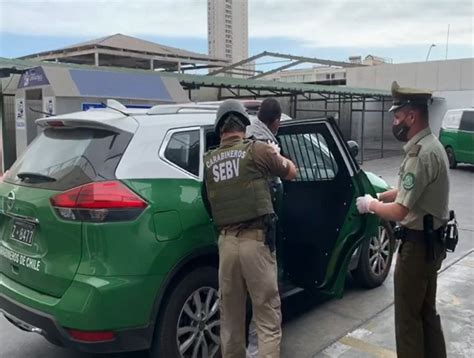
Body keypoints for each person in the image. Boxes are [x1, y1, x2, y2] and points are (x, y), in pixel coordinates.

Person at [356, 81, 449, 358]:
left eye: (397, 116)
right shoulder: (433, 146)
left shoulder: (419, 156)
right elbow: (414, 191)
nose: (395, 122)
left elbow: (400, 212)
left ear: (411, 116)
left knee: (407, 321)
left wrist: (371, 205)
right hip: (433, 244)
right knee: (426, 313)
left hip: (417, 249)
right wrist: (385, 195)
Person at [203, 99, 297, 358]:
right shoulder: (257, 150)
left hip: (226, 245)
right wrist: (277, 154)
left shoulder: (209, 161)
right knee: (267, 319)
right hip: (255, 243)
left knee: (231, 323)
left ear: (220, 128)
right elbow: (292, 173)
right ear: (244, 124)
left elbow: (208, 202)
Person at [245, 98, 283, 358]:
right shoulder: (267, 145)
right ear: (277, 122)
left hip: (229, 233)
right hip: (259, 234)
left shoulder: (241, 135)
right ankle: (256, 350)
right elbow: (284, 179)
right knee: (266, 304)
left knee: (235, 302)